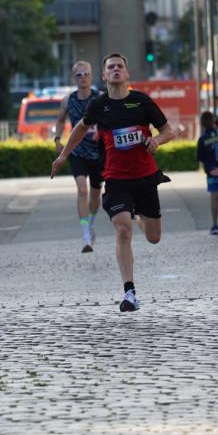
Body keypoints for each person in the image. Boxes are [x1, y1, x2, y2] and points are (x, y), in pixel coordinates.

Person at [51, 53, 174, 312]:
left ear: (127, 74)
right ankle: (129, 292)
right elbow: (80, 128)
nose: (116, 69)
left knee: (153, 237)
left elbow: (168, 131)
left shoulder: (141, 101)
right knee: (122, 230)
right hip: (116, 178)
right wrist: (63, 156)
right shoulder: (99, 105)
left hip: (145, 176)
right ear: (105, 75)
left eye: (120, 66)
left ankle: (138, 216)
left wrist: (156, 140)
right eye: (111, 67)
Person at [54, 61, 103, 253]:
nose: (83, 78)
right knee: (82, 190)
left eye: (86, 74)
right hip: (77, 151)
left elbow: (110, 119)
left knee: (96, 194)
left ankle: (91, 223)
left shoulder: (100, 97)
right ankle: (85, 236)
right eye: (79, 75)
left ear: (92, 76)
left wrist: (101, 130)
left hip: (98, 153)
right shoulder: (68, 100)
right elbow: (60, 120)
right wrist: (57, 139)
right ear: (73, 78)